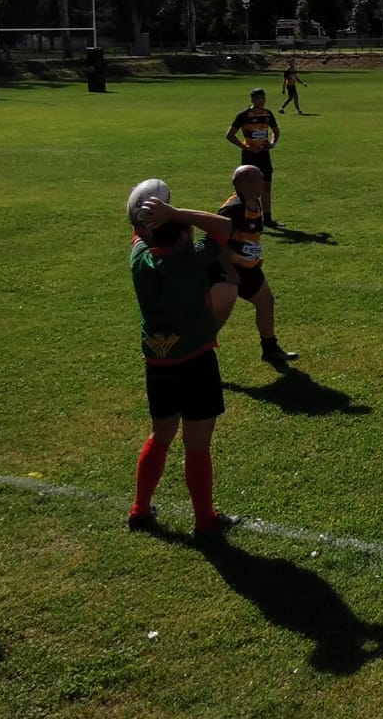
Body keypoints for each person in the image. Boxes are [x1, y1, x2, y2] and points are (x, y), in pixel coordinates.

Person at [124, 178, 241, 539]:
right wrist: (174, 212)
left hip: (158, 365)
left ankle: (140, 509)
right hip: (195, 361)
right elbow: (223, 225)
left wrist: (153, 216)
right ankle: (205, 521)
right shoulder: (194, 261)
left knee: (161, 435)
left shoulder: (140, 259)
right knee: (197, 444)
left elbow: (138, 231)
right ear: (186, 236)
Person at [219, 165, 298, 368]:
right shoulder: (233, 210)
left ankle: (270, 349)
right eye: (259, 178)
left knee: (266, 302)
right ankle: (195, 355)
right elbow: (216, 244)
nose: (264, 182)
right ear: (245, 183)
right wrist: (229, 270)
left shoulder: (255, 202)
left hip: (249, 268)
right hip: (229, 271)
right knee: (216, 318)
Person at [224, 88, 280, 225]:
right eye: (257, 99)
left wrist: (272, 143)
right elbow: (229, 135)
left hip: (264, 155)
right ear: (252, 100)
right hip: (249, 157)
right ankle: (245, 216)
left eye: (262, 98)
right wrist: (245, 147)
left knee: (266, 187)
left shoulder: (268, 114)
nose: (261, 101)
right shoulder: (244, 115)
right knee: (247, 189)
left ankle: (267, 219)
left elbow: (276, 132)